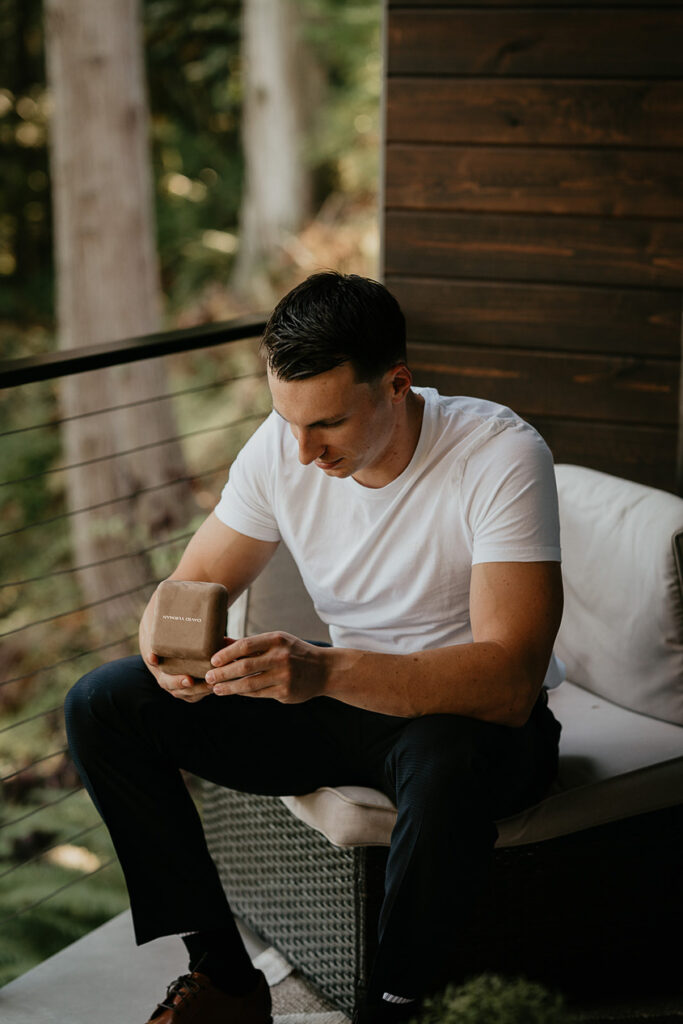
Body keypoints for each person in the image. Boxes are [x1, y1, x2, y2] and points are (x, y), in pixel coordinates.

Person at [65, 272, 564, 1024]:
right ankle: (226, 980)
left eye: (325, 424)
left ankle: (393, 1008)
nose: (301, 452)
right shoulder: (283, 445)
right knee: (103, 704)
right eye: (287, 421)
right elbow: (190, 584)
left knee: (448, 768)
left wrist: (322, 666)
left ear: (395, 384)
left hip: (469, 721)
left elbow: (508, 681)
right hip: (341, 706)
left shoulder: (496, 453)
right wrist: (178, 658)